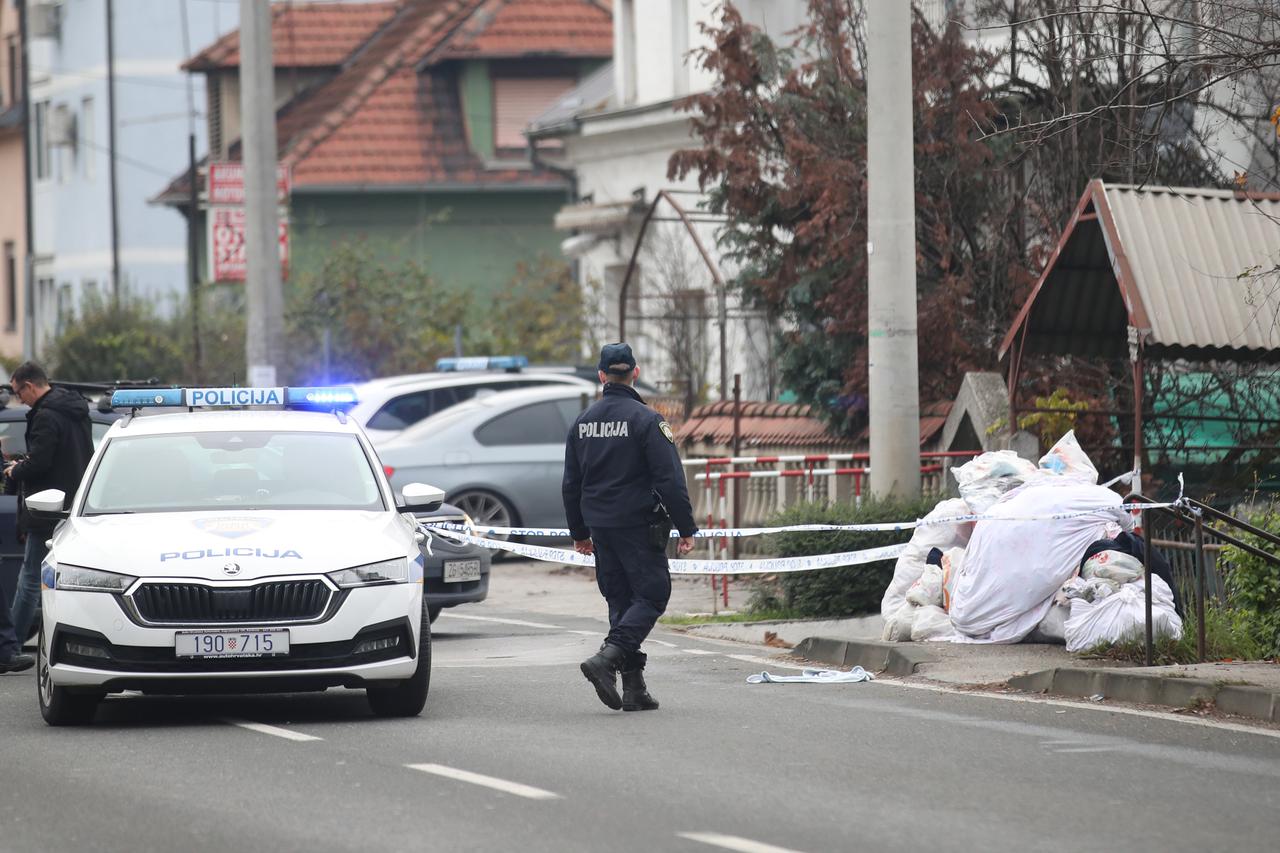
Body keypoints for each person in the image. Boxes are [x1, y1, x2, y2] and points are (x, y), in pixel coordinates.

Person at [562, 343, 697, 711]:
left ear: (602, 376)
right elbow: (669, 479)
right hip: (638, 524)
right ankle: (607, 660)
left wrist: (578, 533)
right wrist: (686, 527)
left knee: (621, 600)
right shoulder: (646, 420)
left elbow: (571, 484)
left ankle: (634, 688)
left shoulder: (582, 423)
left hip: (601, 527)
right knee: (653, 595)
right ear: (634, 373)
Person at [4, 362, 94, 657]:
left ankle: (11, 644)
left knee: (30, 577)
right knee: (67, 577)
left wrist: (15, 471)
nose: (20, 399)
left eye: (19, 393)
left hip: (46, 506)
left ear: (30, 386)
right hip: (76, 506)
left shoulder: (46, 416)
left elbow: (40, 462)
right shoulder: (75, 409)